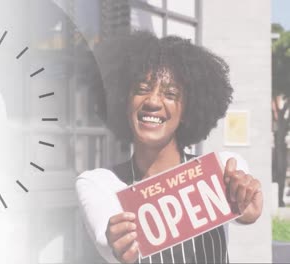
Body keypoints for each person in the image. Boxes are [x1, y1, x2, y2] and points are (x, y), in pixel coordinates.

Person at [76, 31, 263, 264]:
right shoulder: (100, 183)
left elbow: (242, 210)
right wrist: (115, 242)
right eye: (142, 89)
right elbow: (106, 243)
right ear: (123, 101)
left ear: (187, 110)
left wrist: (245, 204)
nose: (153, 102)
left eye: (171, 94)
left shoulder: (221, 169)